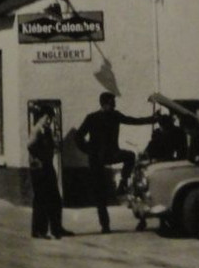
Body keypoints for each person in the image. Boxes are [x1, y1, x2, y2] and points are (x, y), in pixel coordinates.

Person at [74, 92, 155, 232]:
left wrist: (152, 119)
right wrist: (90, 150)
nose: (115, 105)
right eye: (112, 102)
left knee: (130, 155)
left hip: (111, 154)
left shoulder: (115, 115)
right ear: (105, 103)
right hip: (96, 159)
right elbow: (78, 137)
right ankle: (105, 225)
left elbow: (133, 120)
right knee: (100, 193)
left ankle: (123, 183)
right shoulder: (92, 118)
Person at [28, 104, 69, 240]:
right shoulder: (37, 130)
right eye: (47, 118)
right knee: (41, 199)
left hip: (47, 167)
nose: (49, 121)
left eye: (50, 118)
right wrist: (39, 158)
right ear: (40, 117)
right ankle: (39, 231)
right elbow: (30, 146)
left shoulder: (46, 131)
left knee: (55, 199)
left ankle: (57, 228)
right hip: (39, 169)